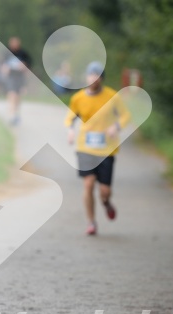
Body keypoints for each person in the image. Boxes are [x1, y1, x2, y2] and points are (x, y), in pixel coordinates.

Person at [64, 61, 130, 236]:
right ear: (86, 77)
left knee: (104, 191)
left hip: (106, 149)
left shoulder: (112, 96)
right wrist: (70, 131)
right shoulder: (78, 98)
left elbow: (125, 116)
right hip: (85, 147)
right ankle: (91, 222)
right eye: (91, 75)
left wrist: (116, 127)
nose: (93, 79)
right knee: (88, 183)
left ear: (102, 79)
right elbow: (71, 116)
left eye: (97, 76)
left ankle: (106, 202)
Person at [2, 36, 32, 126]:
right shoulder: (6, 53)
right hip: (11, 77)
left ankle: (16, 113)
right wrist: (4, 70)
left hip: (20, 77)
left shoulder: (23, 54)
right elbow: (3, 65)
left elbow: (28, 65)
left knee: (17, 96)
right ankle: (11, 115)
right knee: (11, 95)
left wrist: (24, 66)